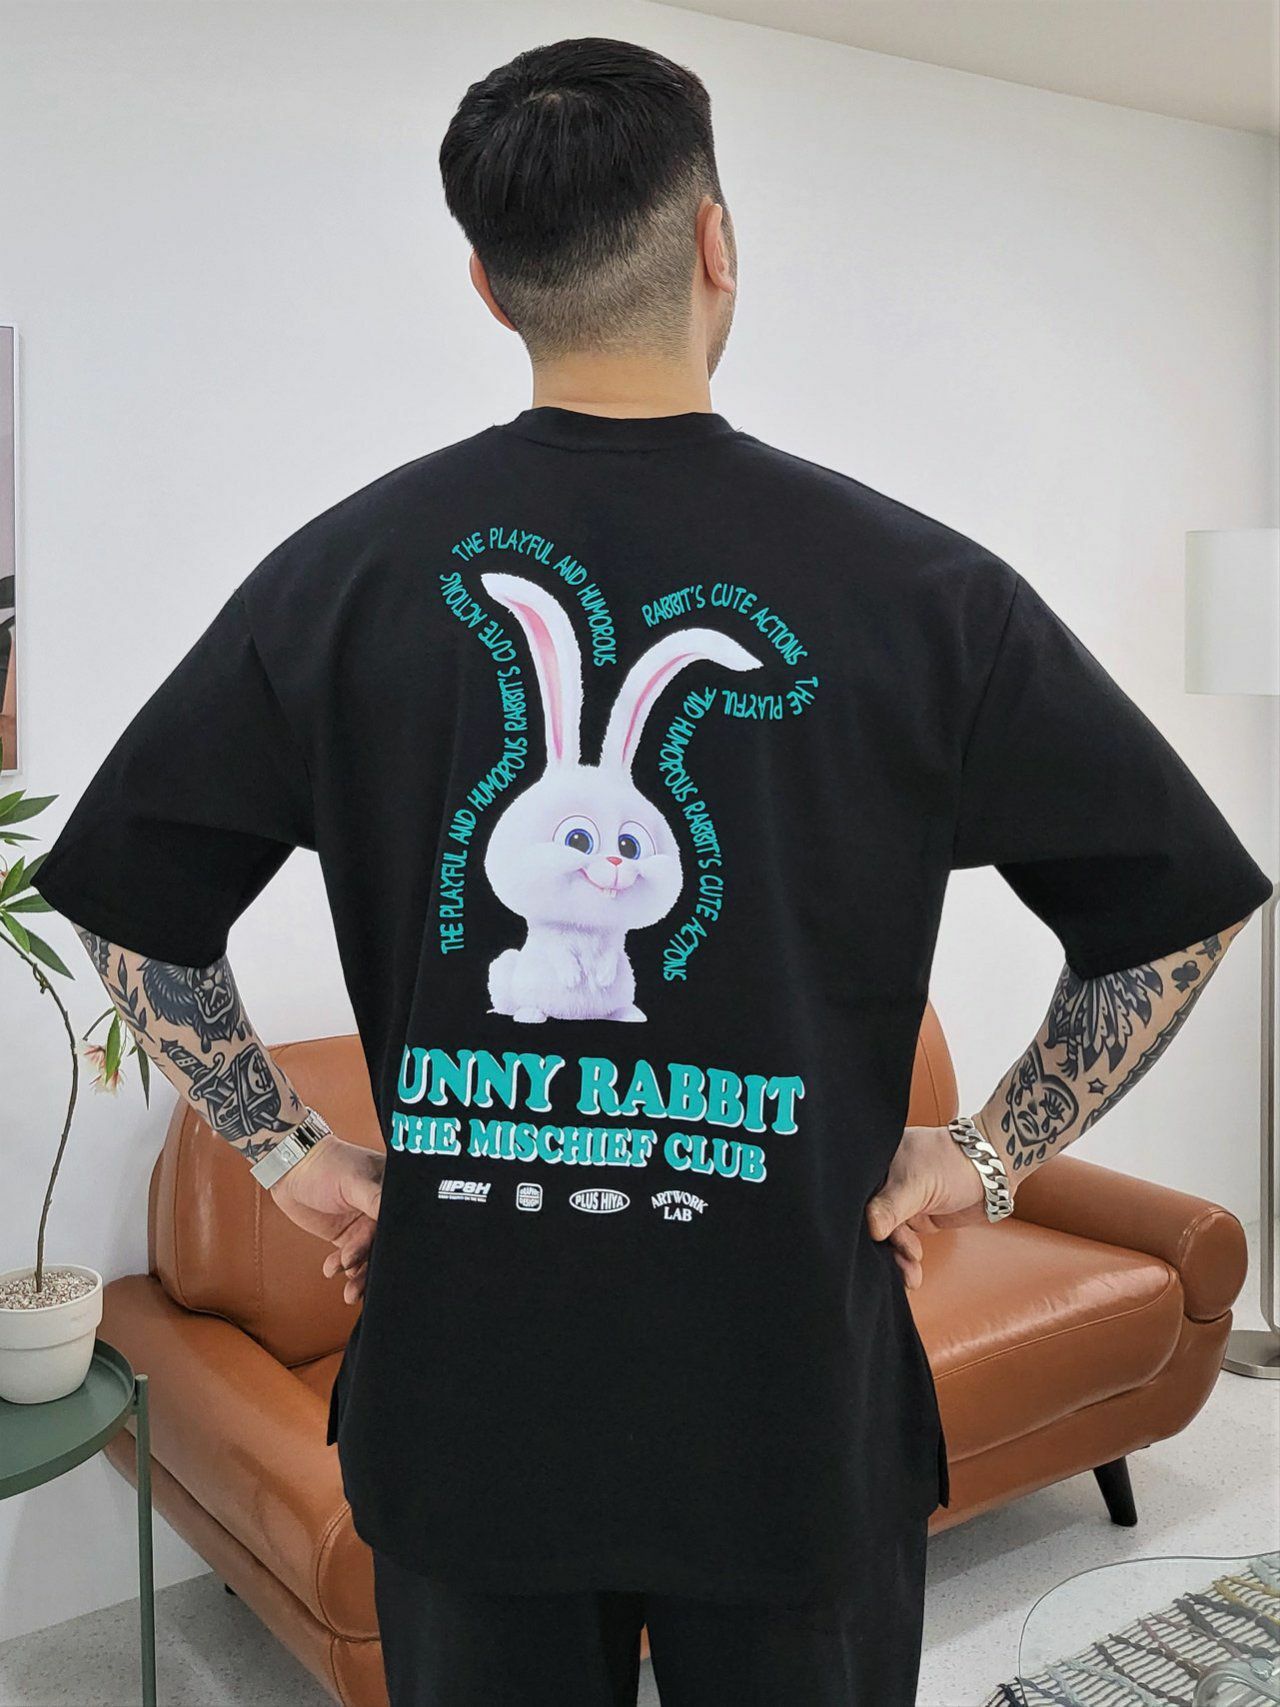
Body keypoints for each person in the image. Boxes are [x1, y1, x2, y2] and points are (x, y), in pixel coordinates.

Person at [34, 34, 1272, 1707]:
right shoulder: (922, 593)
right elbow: (1174, 912)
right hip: (788, 1423)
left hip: (470, 1433)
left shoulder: (346, 578)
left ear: (489, 285)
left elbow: (130, 906)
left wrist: (288, 1155)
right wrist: (984, 1157)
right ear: (715, 243)